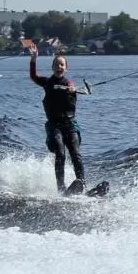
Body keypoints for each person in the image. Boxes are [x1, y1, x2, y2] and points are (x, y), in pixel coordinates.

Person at [28, 45, 89, 193]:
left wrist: (72, 89)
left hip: (70, 124)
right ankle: (60, 188)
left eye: (62, 64)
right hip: (54, 125)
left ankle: (82, 184)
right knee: (60, 154)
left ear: (66, 68)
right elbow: (34, 77)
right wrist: (33, 60)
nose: (59, 67)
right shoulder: (47, 82)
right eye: (56, 64)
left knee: (76, 154)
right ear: (52, 68)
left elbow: (70, 85)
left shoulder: (69, 85)